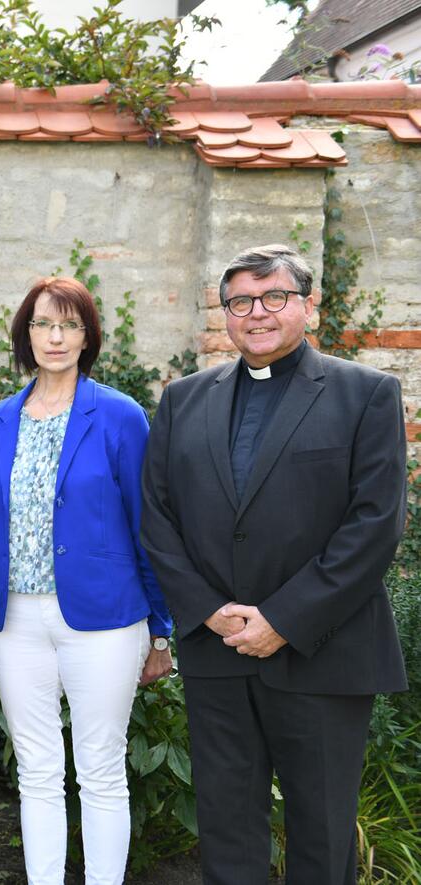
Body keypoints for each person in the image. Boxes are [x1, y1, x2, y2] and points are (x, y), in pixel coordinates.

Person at [141, 244, 408, 885]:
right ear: (225, 313)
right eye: (240, 302)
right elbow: (157, 517)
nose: (256, 313)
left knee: (321, 831)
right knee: (227, 827)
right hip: (218, 652)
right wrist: (210, 611)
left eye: (274, 298)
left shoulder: (366, 394)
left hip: (324, 651)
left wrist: (282, 619)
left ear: (306, 306)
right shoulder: (182, 399)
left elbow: (374, 526)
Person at [0, 277, 173, 885]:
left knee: (101, 767)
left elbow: (147, 524)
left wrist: (160, 631)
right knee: (35, 769)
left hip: (106, 618)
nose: (54, 337)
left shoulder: (118, 415)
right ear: (24, 335)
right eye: (42, 324)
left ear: (88, 336)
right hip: (15, 623)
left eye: (69, 325)